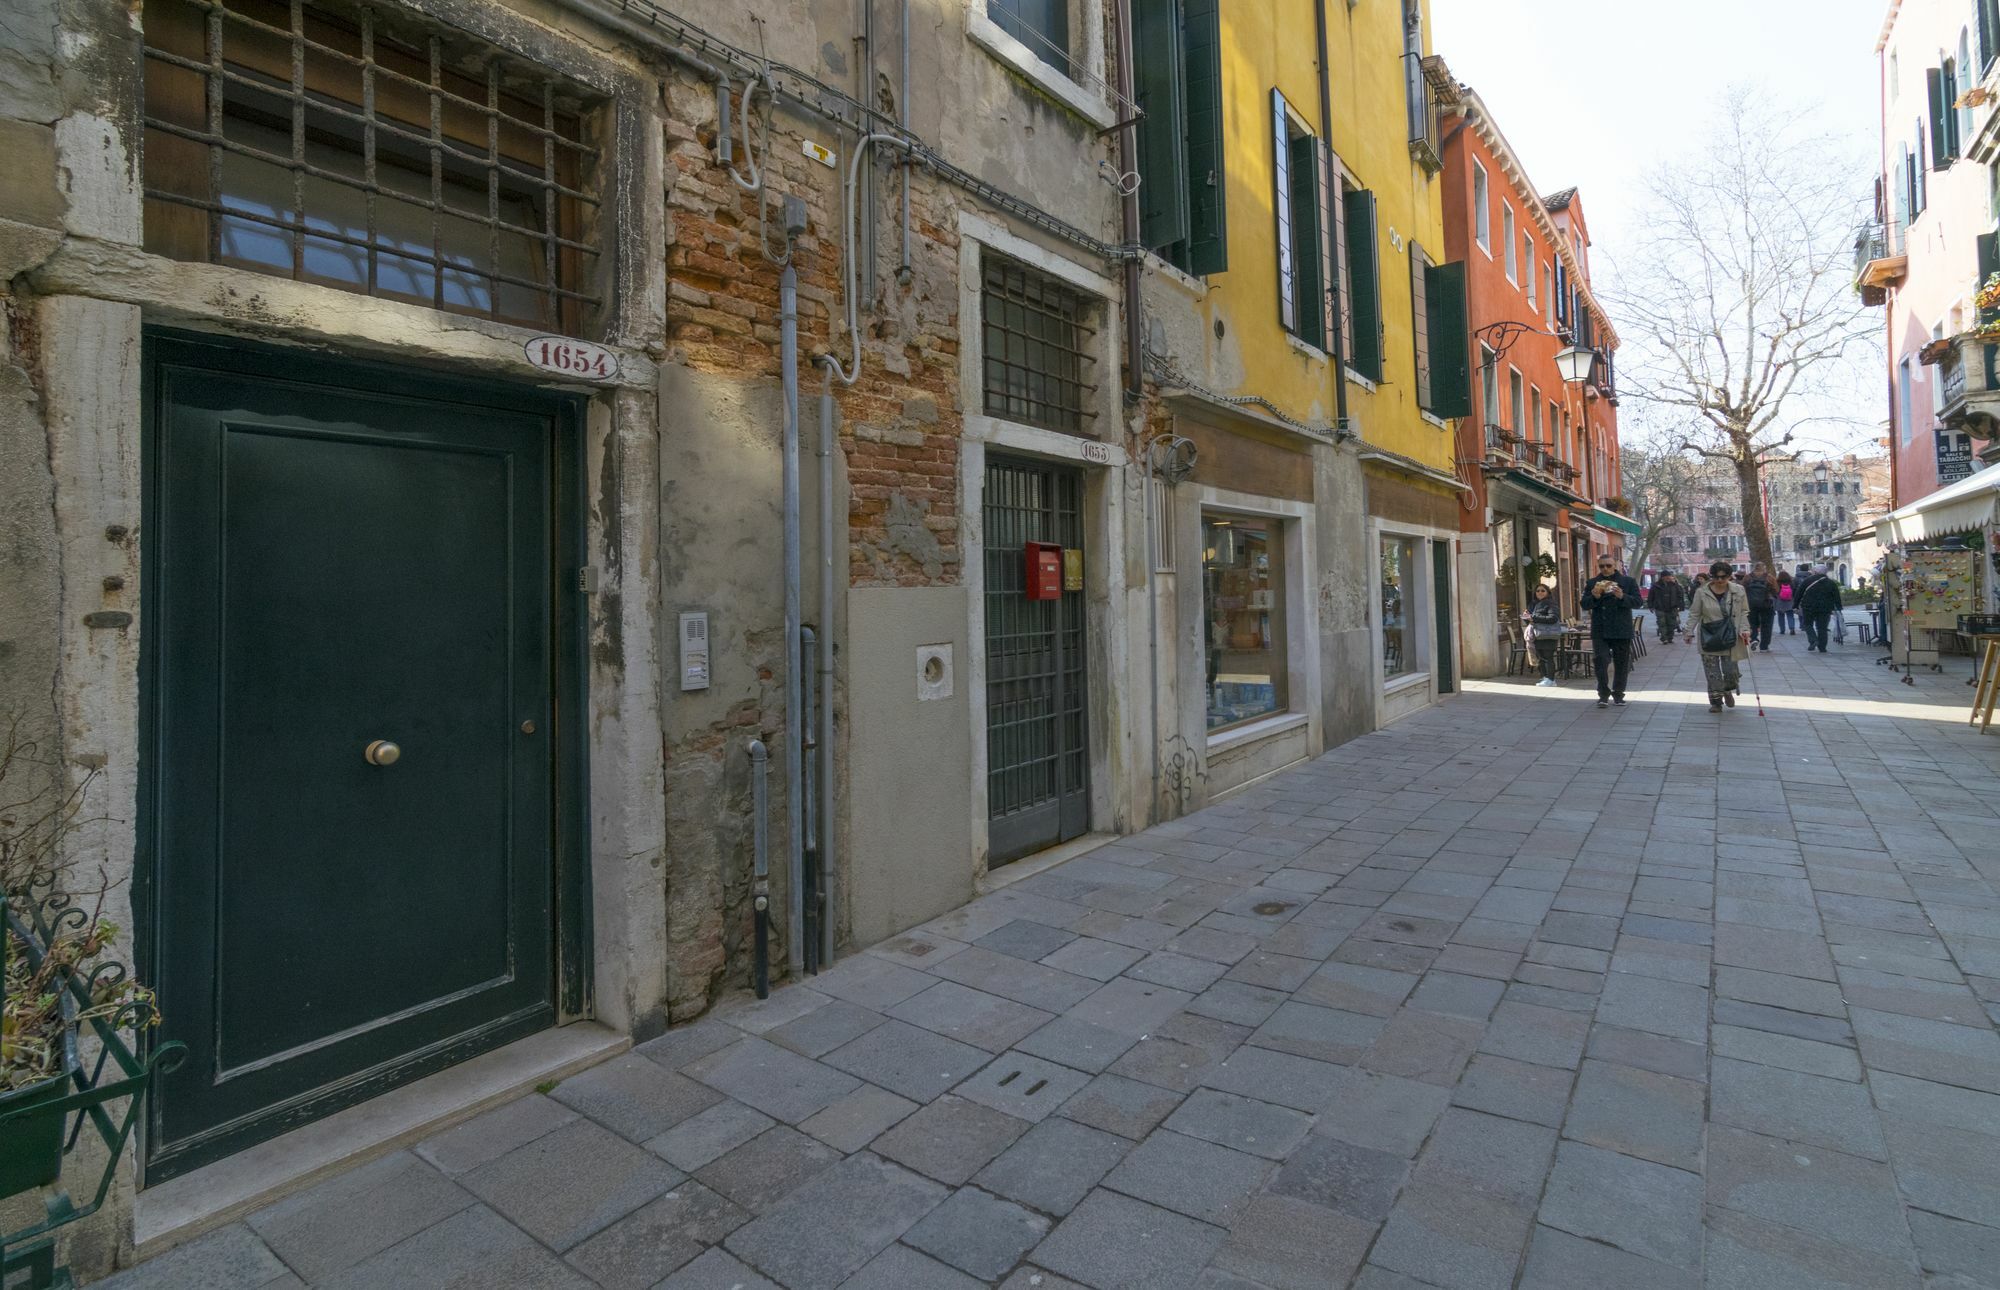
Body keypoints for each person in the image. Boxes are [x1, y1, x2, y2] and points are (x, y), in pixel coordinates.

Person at [1580, 553, 1641, 709]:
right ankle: (1603, 694)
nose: (1605, 569)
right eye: (1602, 566)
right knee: (1601, 660)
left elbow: (1638, 602)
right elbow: (1584, 604)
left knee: (1621, 663)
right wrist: (1594, 596)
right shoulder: (1593, 583)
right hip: (1601, 629)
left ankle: (1619, 694)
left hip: (1621, 628)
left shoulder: (1628, 582)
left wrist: (1622, 596)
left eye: (1608, 565)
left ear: (1615, 566)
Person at [1693, 560, 1752, 712]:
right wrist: (1688, 631)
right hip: (1709, 634)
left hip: (1730, 635)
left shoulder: (1738, 590)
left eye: (1723, 577)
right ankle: (1716, 702)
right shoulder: (1702, 591)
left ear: (1729, 576)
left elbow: (1744, 611)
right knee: (1712, 671)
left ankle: (1728, 689)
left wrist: (1745, 629)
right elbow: (1694, 612)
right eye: (1716, 577)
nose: (1719, 580)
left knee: (1730, 670)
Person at [1798, 564, 1843, 652]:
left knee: (1808, 624)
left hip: (1809, 606)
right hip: (1825, 608)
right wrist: (1838, 608)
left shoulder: (1808, 581)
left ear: (1815, 571)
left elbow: (1799, 593)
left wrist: (1795, 605)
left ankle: (1813, 640)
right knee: (1822, 627)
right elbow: (1836, 596)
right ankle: (1822, 647)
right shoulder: (1831, 583)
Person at [1525, 583, 1562, 686]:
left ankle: (1551, 679)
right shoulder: (1534, 604)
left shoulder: (1550, 603)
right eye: (1538, 591)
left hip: (1548, 634)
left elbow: (1553, 618)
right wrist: (1527, 617)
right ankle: (1546, 678)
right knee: (1541, 657)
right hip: (1538, 634)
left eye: (1542, 590)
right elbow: (1531, 621)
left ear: (1547, 592)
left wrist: (1534, 618)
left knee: (1548, 657)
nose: (1540, 592)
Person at [1744, 563, 1777, 651]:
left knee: (1752, 624)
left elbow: (1742, 590)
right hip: (1766, 604)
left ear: (1754, 568)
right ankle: (1764, 646)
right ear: (1764, 568)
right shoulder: (1769, 578)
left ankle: (1754, 639)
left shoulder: (1747, 577)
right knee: (1767, 625)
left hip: (1751, 604)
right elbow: (1776, 590)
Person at [1648, 570, 1686, 643]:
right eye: (1667, 576)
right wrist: (1650, 606)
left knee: (1671, 623)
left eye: (1670, 576)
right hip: (1660, 607)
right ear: (1663, 577)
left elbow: (1680, 595)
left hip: (1672, 607)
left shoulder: (1675, 585)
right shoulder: (1655, 585)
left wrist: (1680, 606)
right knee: (1661, 623)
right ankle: (1664, 638)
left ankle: (1670, 638)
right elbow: (1651, 596)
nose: (1669, 577)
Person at [1776, 571, 1797, 636]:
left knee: (1780, 616)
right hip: (1790, 601)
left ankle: (1782, 630)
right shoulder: (1791, 582)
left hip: (1780, 601)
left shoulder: (1777, 583)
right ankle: (1792, 628)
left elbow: (1776, 591)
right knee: (1790, 615)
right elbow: (1794, 591)